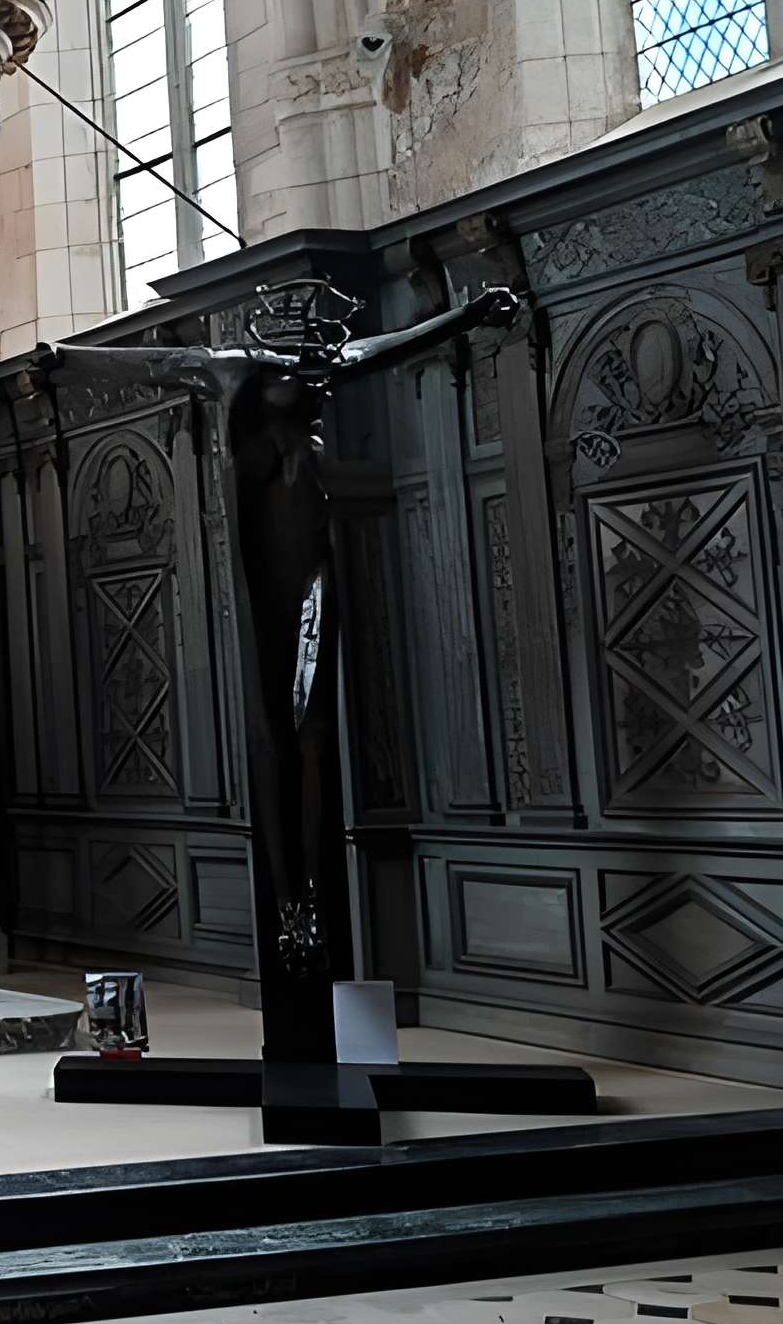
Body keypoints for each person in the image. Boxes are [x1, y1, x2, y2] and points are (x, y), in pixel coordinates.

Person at [32, 281, 520, 1052]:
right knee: (272, 726)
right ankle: (292, 899)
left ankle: (311, 906)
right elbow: (148, 369)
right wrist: (64, 358)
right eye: (297, 325)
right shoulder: (232, 368)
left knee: (313, 728)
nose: (311, 345)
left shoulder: (326, 364)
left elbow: (392, 347)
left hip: (313, 547)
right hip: (260, 562)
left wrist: (468, 314)